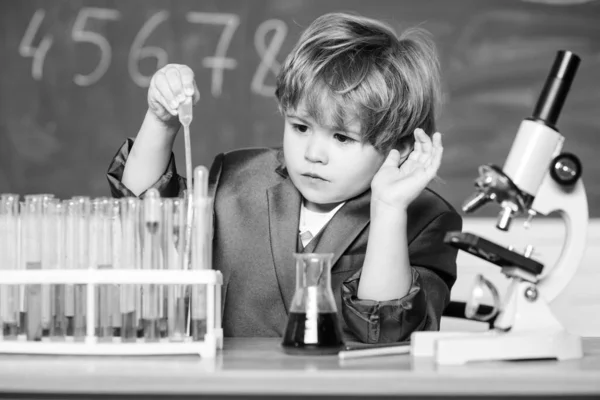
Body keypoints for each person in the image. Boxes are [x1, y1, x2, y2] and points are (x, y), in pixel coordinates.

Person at [107, 12, 462, 343]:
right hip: (227, 386)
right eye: (300, 126)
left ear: (397, 145)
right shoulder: (238, 178)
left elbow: (386, 333)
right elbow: (143, 213)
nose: (312, 153)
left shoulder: (425, 220)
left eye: (342, 137)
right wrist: (160, 120)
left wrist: (388, 208)